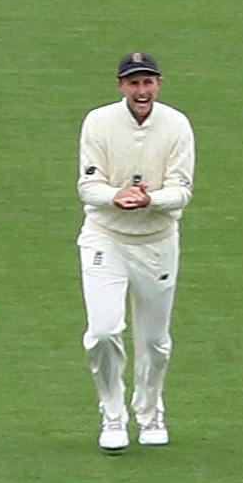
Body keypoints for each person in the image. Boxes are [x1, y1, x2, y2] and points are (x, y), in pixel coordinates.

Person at [77, 51, 195, 452]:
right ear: (121, 86)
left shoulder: (177, 125)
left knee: (155, 341)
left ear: (159, 83)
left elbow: (182, 190)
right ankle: (112, 413)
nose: (141, 90)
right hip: (105, 237)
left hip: (157, 242)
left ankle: (149, 411)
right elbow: (87, 187)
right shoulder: (98, 122)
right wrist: (117, 196)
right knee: (104, 331)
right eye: (133, 82)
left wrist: (151, 200)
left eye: (147, 82)